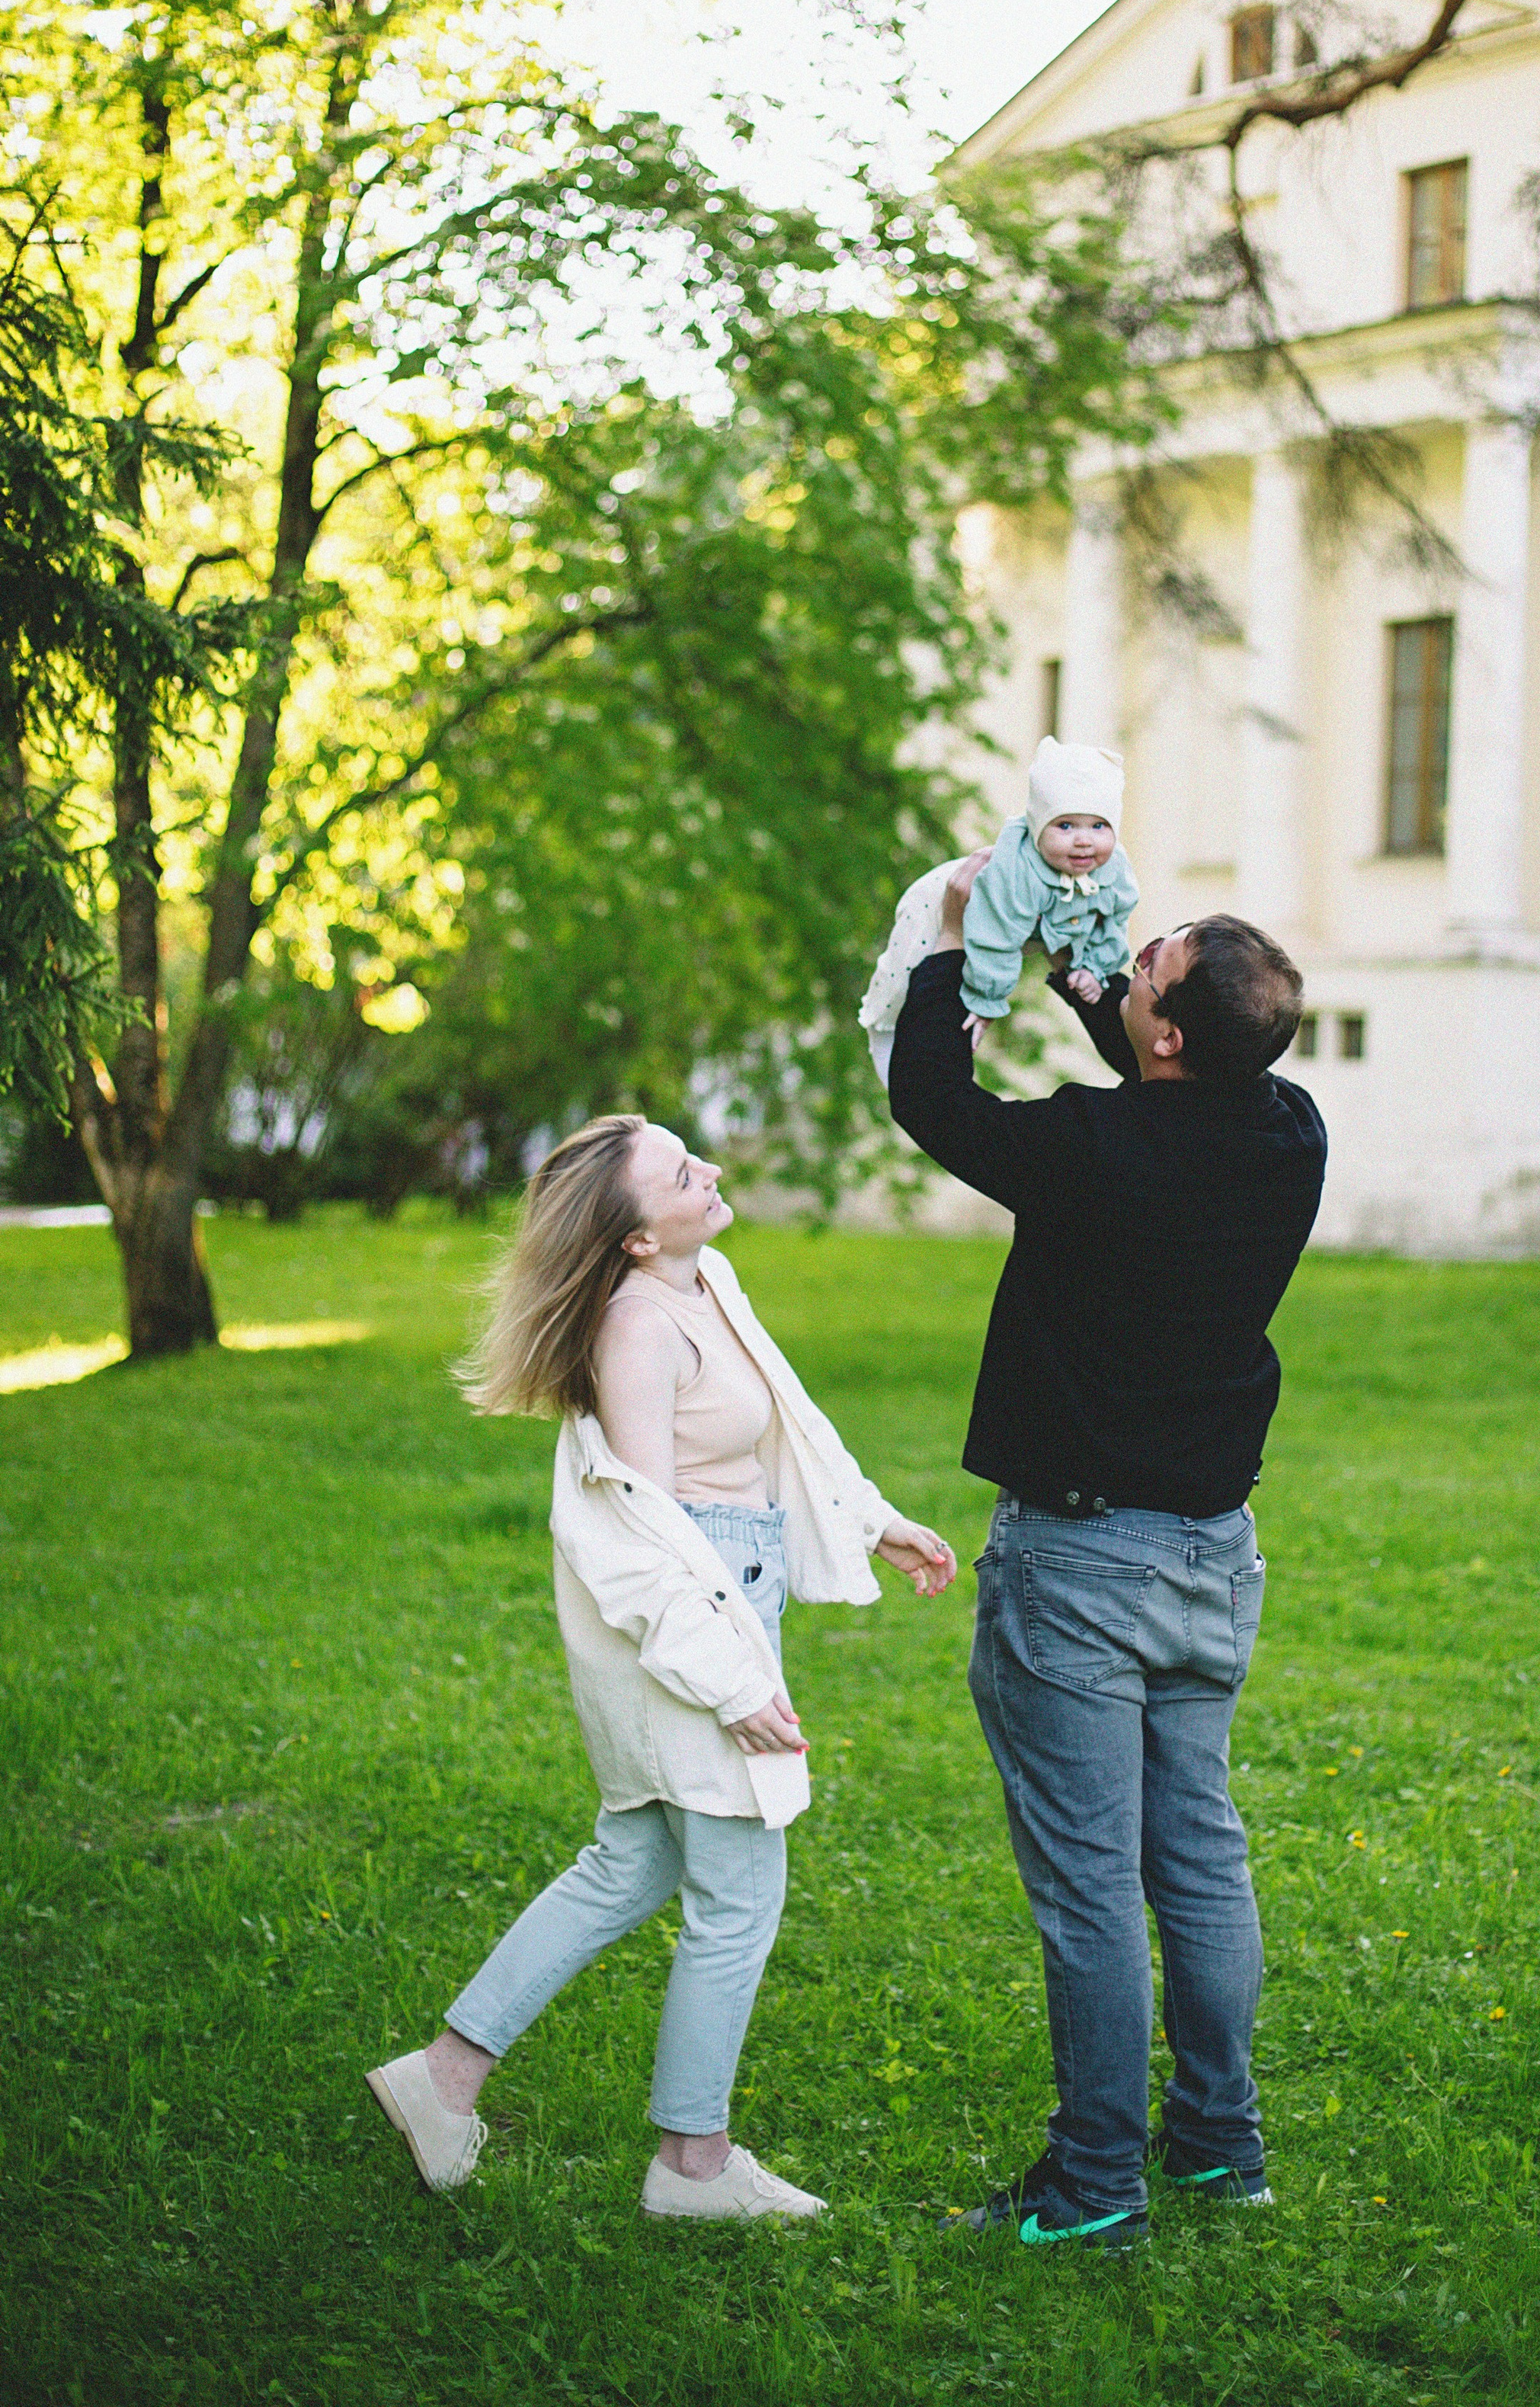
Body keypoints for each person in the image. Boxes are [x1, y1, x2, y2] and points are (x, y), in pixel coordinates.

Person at [365, 1114, 956, 2223]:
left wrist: (875, 1522)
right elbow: (643, 1538)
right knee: (738, 1894)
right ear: (635, 1238)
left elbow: (791, 1428)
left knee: (633, 1858)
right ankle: (693, 2167)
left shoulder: (708, 1280)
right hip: (687, 1626)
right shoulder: (635, 1331)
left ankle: (442, 2079)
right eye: (684, 1173)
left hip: (732, 1593)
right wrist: (733, 1687)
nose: (714, 1171)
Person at [888, 873, 1325, 2252]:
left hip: (1080, 1569)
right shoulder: (1290, 1131)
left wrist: (955, 950)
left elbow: (932, 1106)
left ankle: (1090, 2189)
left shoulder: (1090, 1149)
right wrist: (1090, 979)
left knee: (1089, 1895)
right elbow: (1163, 1098)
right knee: (1196, 1861)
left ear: (1173, 1036)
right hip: (1212, 1560)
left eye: (1145, 970)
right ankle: (1218, 2150)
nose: (1129, 969)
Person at [858, 738, 1139, 1085]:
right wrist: (986, 1000)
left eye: (1099, 826)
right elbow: (997, 939)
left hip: (1032, 931)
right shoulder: (1016, 874)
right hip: (945, 904)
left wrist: (1095, 969)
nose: (1084, 840)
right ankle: (884, 1034)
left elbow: (1115, 920)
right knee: (909, 972)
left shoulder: (1114, 868)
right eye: (1065, 826)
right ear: (1037, 827)